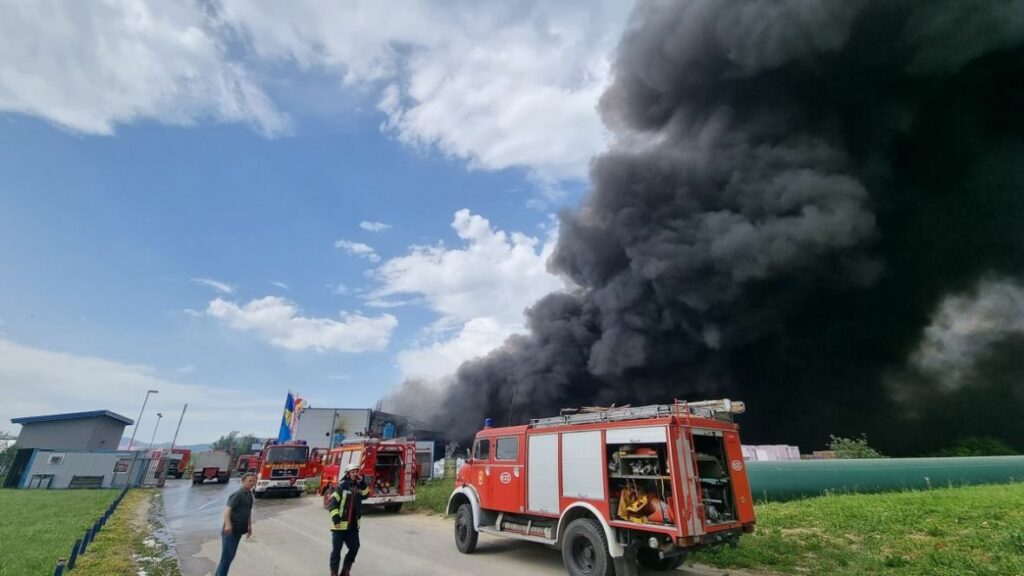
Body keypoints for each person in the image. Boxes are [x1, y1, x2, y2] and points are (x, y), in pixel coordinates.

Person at [328, 462, 370, 576]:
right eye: (353, 472)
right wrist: (336, 518)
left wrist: (362, 482)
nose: (355, 473)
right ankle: (334, 573)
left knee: (355, 547)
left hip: (352, 526)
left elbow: (367, 494)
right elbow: (332, 503)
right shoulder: (341, 486)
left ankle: (345, 571)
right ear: (347, 474)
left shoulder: (358, 486)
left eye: (356, 471)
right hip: (339, 525)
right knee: (336, 552)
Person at [216, 472, 255, 576]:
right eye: (250, 481)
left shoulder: (249, 494)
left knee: (228, 558)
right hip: (230, 532)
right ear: (243, 481)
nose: (252, 483)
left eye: (253, 481)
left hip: (238, 530)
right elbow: (227, 510)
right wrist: (228, 524)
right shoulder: (238, 494)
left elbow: (248, 511)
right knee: (226, 559)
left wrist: (249, 526)